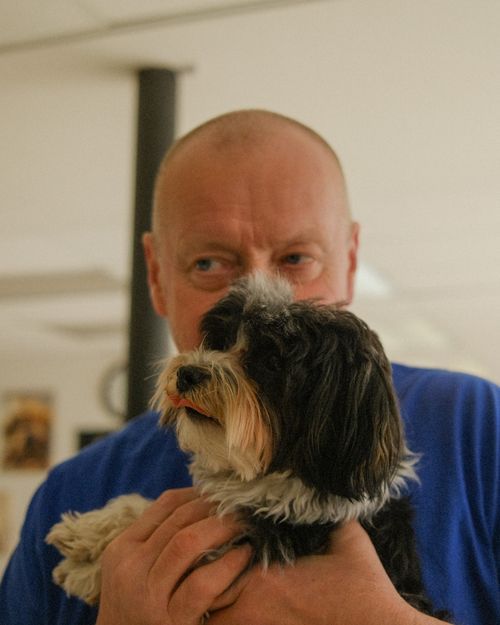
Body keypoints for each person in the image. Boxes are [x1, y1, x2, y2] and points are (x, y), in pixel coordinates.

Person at [1, 109, 499, 625]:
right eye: (209, 264)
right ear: (154, 274)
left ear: (349, 261)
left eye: (296, 258)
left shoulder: (483, 430)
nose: (257, 292)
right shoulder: (72, 494)